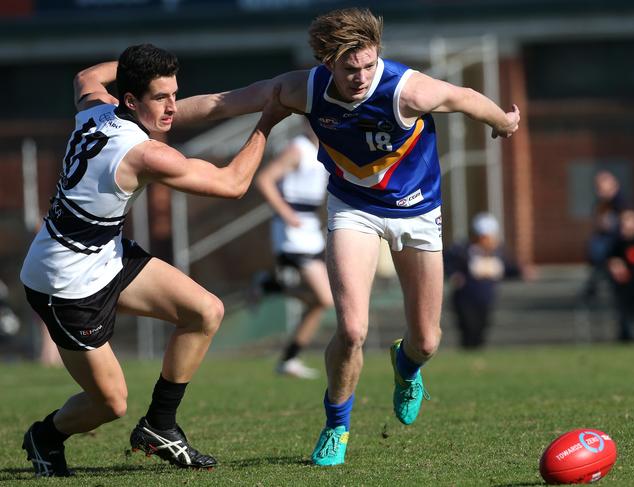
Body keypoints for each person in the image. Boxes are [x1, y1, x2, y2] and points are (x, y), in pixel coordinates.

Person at [177, 7, 519, 466]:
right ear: (327, 63)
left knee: (428, 341)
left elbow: (466, 98)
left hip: (418, 212)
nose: (360, 77)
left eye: (368, 65)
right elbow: (224, 102)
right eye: (349, 68)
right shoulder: (304, 89)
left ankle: (408, 364)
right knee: (352, 329)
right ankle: (336, 426)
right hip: (354, 209)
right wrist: (155, 118)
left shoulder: (406, 89)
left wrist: (502, 122)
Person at [19, 43, 290, 477]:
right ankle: (45, 436)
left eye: (174, 95)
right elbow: (232, 184)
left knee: (204, 311)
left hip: (104, 253)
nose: (172, 108)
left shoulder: (96, 107)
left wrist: (132, 68)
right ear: (130, 100)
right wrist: (267, 122)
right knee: (110, 404)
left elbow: (86, 76)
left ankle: (160, 426)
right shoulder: (145, 153)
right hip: (64, 282)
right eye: (160, 98)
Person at [253, 123, 333, 379]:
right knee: (324, 298)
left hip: (310, 230)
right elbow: (264, 180)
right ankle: (289, 358)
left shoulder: (326, 151)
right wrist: (287, 214)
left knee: (319, 301)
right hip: (293, 232)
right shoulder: (298, 148)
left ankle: (290, 357)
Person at [445, 213, 524, 349]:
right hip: (465, 300)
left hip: (486, 300)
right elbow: (448, 264)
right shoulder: (462, 251)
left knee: (480, 331)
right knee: (469, 329)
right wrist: (454, 275)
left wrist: (522, 271)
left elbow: (508, 268)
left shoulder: (498, 253)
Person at [583, 170, 628, 301]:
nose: (600, 191)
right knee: (596, 246)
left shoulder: (620, 203)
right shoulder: (601, 204)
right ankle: (596, 282)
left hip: (617, 241)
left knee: (601, 249)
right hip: (605, 241)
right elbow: (598, 222)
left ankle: (597, 283)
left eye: (601, 187)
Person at [606, 209, 634, 342]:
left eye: (629, 221)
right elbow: (610, 259)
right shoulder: (618, 244)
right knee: (624, 316)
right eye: (623, 221)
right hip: (625, 289)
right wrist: (614, 264)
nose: (625, 225)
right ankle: (625, 338)